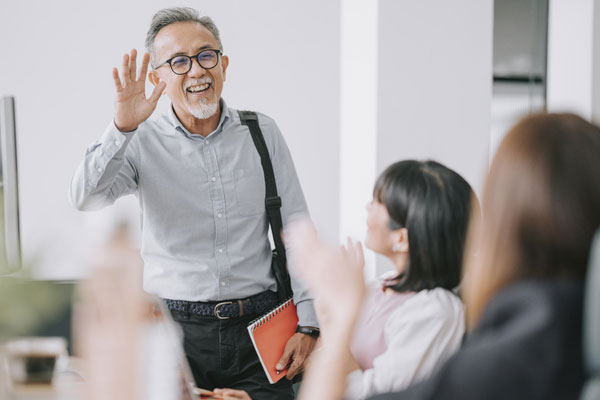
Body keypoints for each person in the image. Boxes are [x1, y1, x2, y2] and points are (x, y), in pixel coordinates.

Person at [69, 7, 317, 398]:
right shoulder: (140, 140)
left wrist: (309, 325)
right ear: (157, 78)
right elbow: (87, 197)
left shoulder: (261, 132)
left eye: (206, 55)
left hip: (261, 330)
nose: (197, 71)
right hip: (174, 331)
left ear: (224, 63)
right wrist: (121, 127)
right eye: (179, 62)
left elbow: (298, 230)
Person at [293, 112, 600, 400]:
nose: (367, 209)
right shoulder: (557, 339)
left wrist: (342, 315)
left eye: (379, 201)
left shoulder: (497, 359)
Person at [332, 160, 473, 399]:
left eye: (379, 202)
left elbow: (378, 394)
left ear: (402, 239)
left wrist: (337, 317)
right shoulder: (380, 286)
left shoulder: (436, 312)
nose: (368, 207)